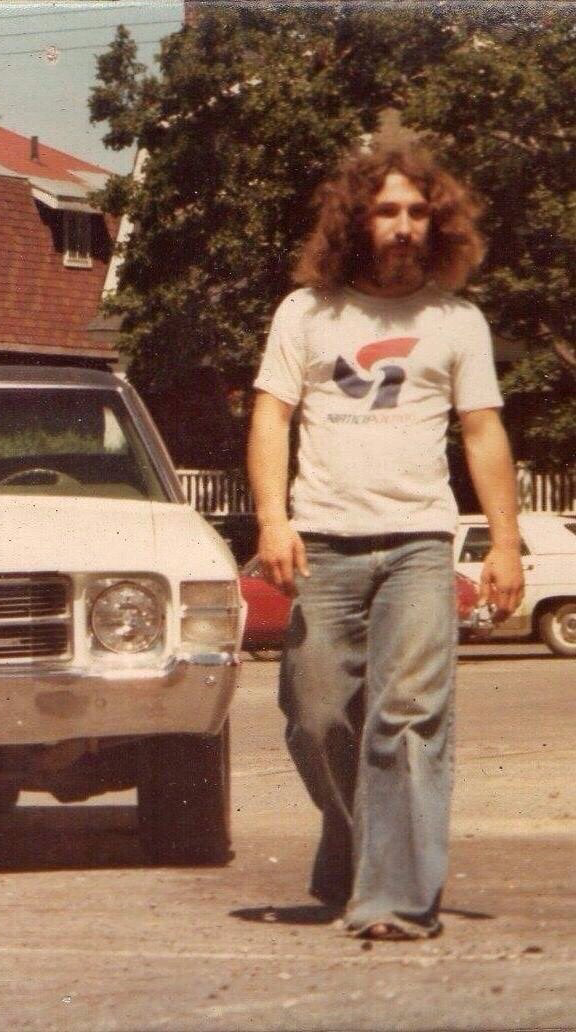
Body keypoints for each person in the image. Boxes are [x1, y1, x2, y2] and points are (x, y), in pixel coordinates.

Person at [247, 145, 524, 941]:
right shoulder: (306, 312)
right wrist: (273, 517)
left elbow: (482, 431)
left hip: (418, 544)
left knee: (408, 716)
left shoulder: (455, 320)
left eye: (416, 213)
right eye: (386, 211)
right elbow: (272, 416)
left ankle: (394, 900)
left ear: (436, 224)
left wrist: (503, 544)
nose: (403, 227)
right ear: (356, 219)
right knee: (316, 715)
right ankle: (355, 836)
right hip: (323, 542)